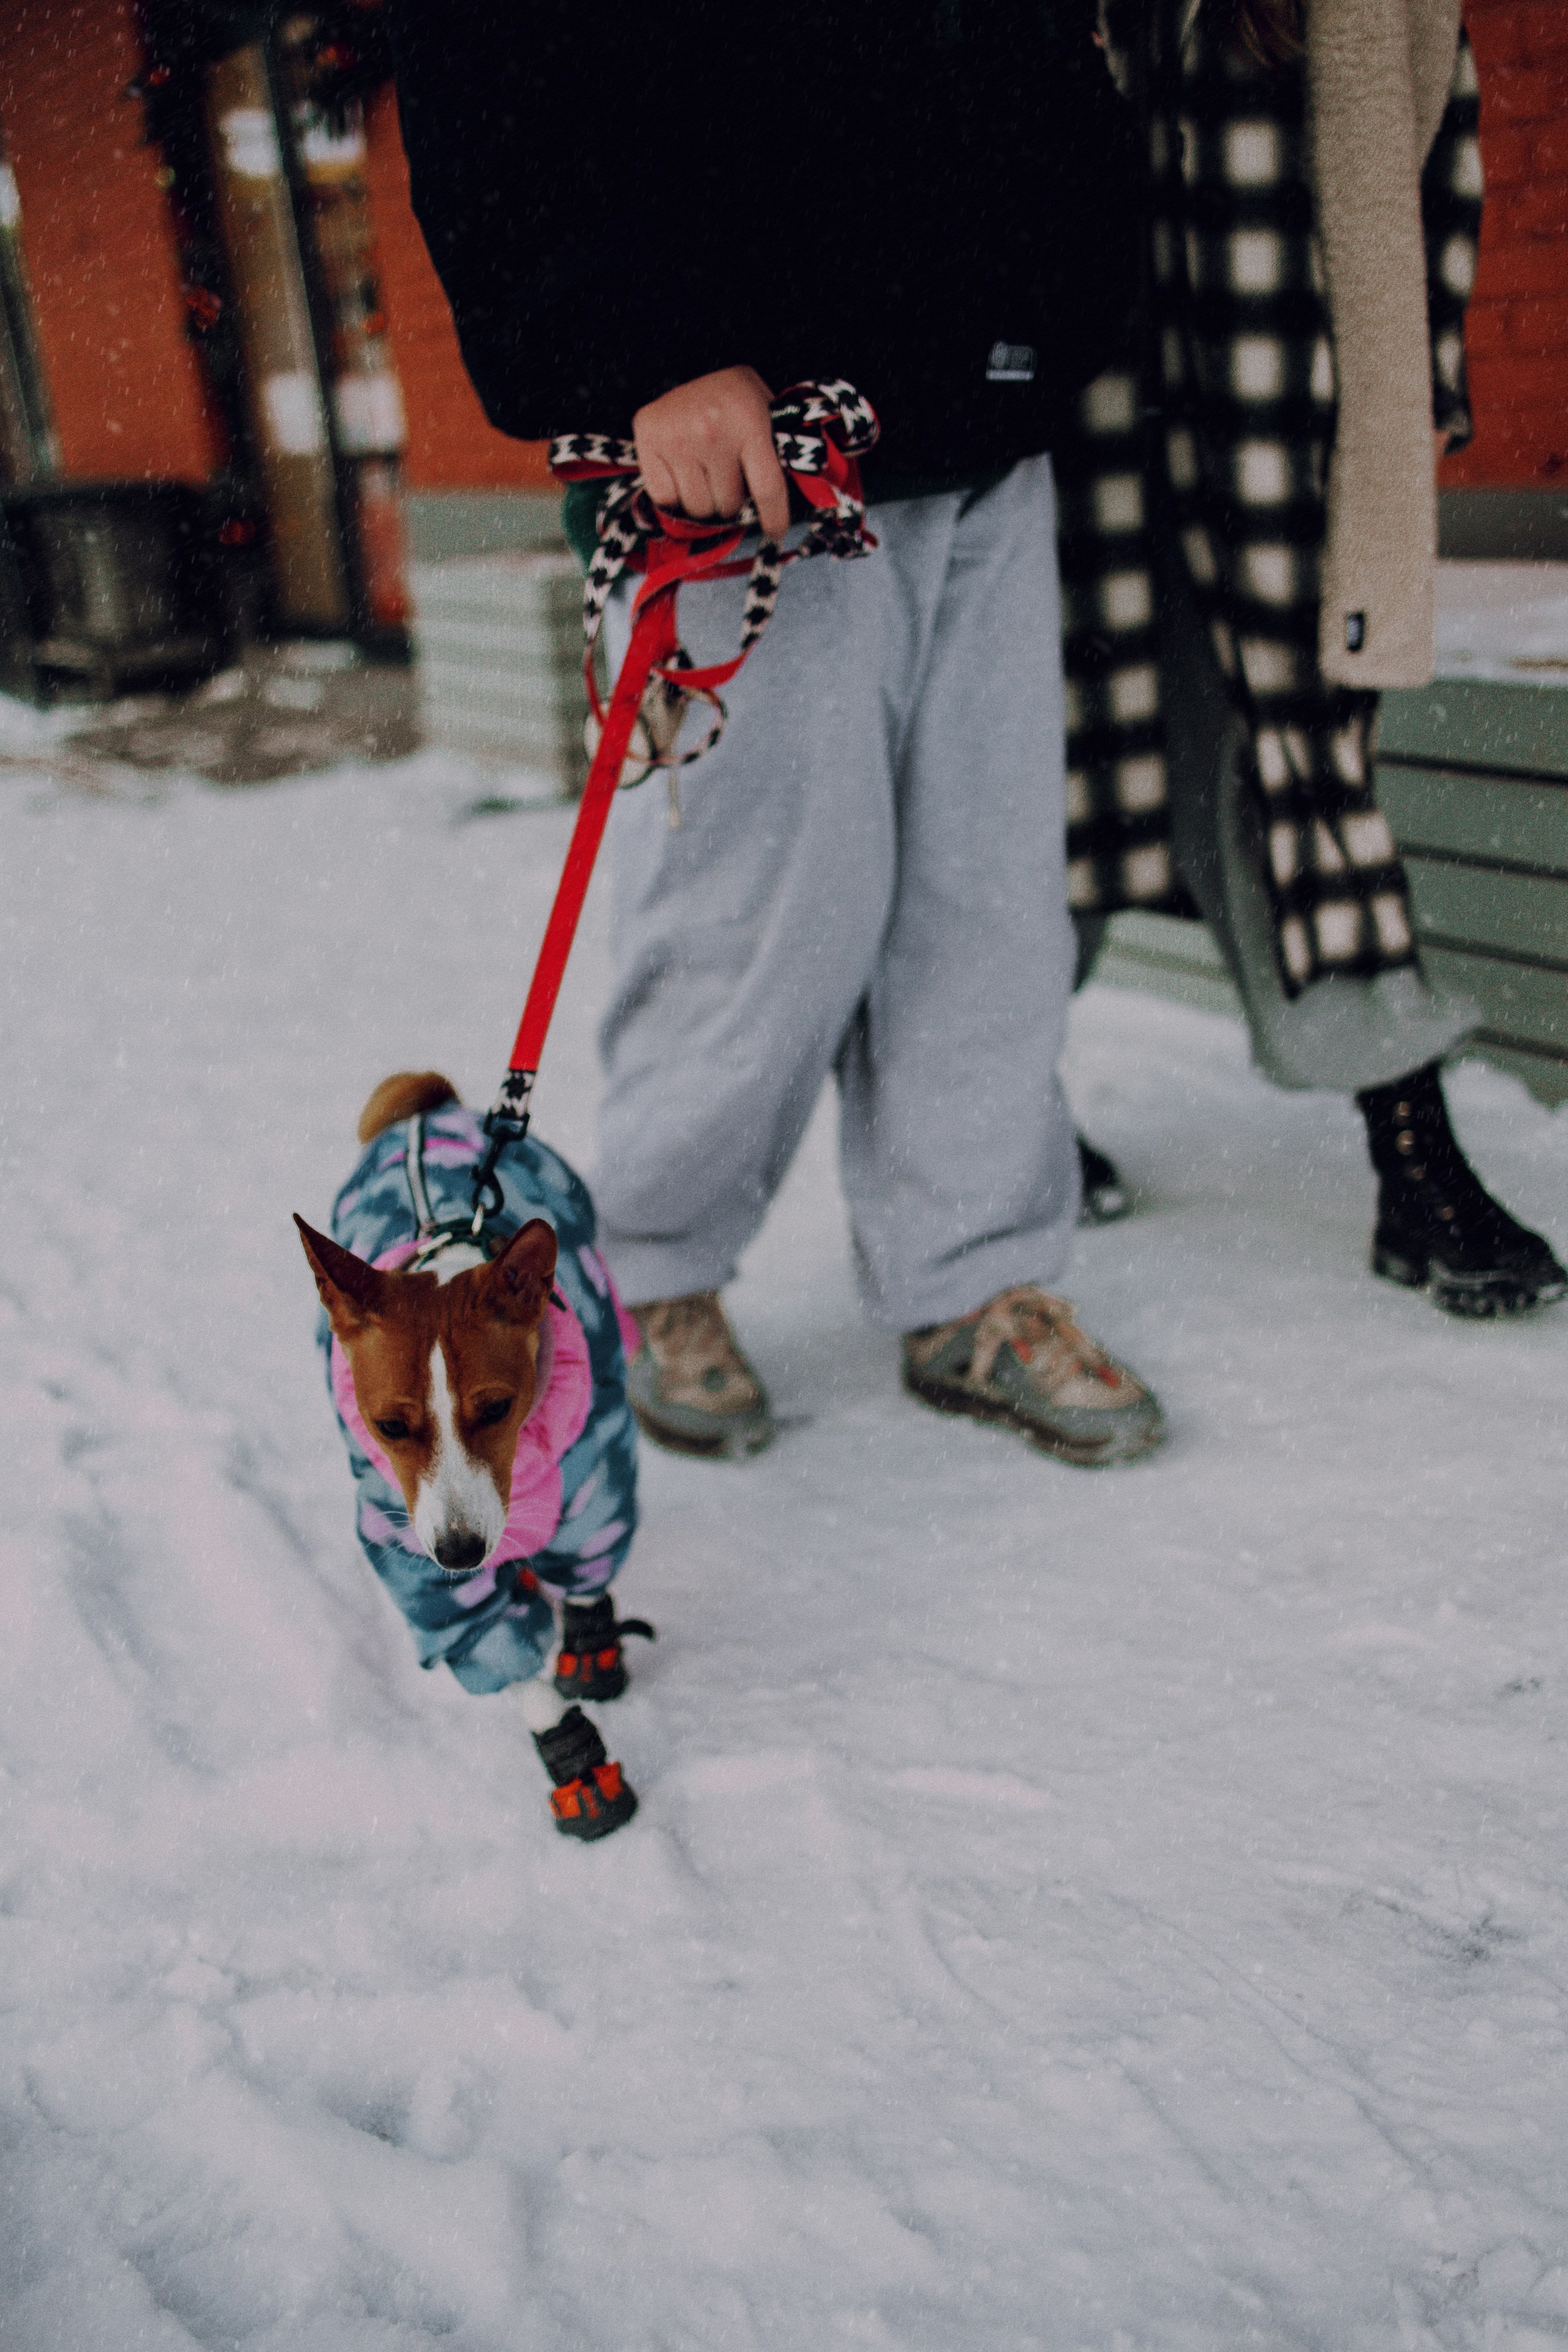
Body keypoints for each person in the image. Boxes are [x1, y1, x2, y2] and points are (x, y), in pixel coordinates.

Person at [385, 1, 1166, 1464]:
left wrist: (1056, 283)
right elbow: (490, 53)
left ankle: (969, 1275)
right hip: (738, 444)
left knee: (988, 897)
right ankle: (656, 1270)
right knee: (755, 907)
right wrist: (644, 340)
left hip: (978, 407)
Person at [1054, 0, 1566, 1319]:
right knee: (1061, 776)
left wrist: (1419, 399)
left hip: (1280, 411)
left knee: (1310, 768)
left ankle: (1414, 1161)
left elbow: (1438, 154)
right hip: (1078, 419)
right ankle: (1008, 1112)